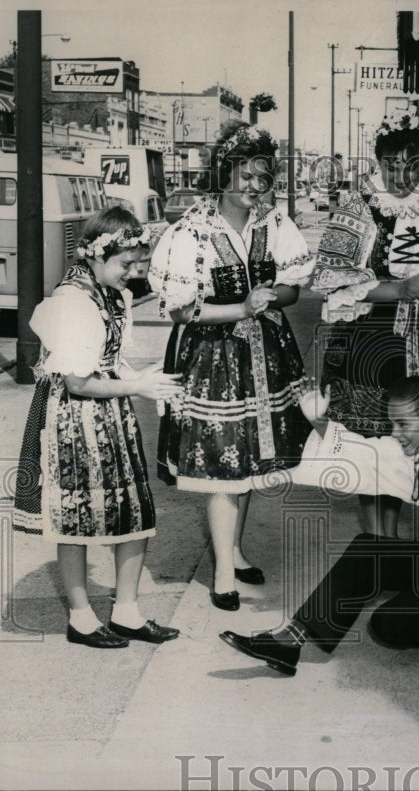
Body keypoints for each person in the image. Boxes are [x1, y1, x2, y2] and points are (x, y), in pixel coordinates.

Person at [219, 375, 419, 676]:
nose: (396, 433)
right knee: (366, 550)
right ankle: (289, 642)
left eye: (404, 424)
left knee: (386, 626)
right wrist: (320, 421)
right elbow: (365, 454)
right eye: (393, 424)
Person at [148, 121, 315, 612]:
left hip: (266, 352)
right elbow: (180, 309)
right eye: (244, 176)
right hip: (211, 354)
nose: (253, 187)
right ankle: (223, 571)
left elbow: (294, 286)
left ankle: (235, 551)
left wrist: (270, 298)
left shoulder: (276, 225)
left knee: (248, 462)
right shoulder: (190, 232)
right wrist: (241, 308)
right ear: (224, 174)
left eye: (263, 178)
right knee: (223, 464)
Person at [13, 206, 183, 648]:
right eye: (125, 264)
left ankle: (126, 611)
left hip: (111, 411)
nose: (133, 273)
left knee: (133, 509)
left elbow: (110, 360)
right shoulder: (71, 302)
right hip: (75, 415)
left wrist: (148, 379)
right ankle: (82, 616)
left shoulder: (112, 293)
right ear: (94, 256)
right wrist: (139, 387)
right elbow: (76, 380)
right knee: (78, 515)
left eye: (139, 264)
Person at [312, 111, 419, 538]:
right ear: (378, 161)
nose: (402, 174)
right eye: (392, 164)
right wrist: (400, 289)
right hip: (369, 339)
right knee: (373, 444)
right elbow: (330, 276)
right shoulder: (357, 205)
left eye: (412, 165)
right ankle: (377, 542)